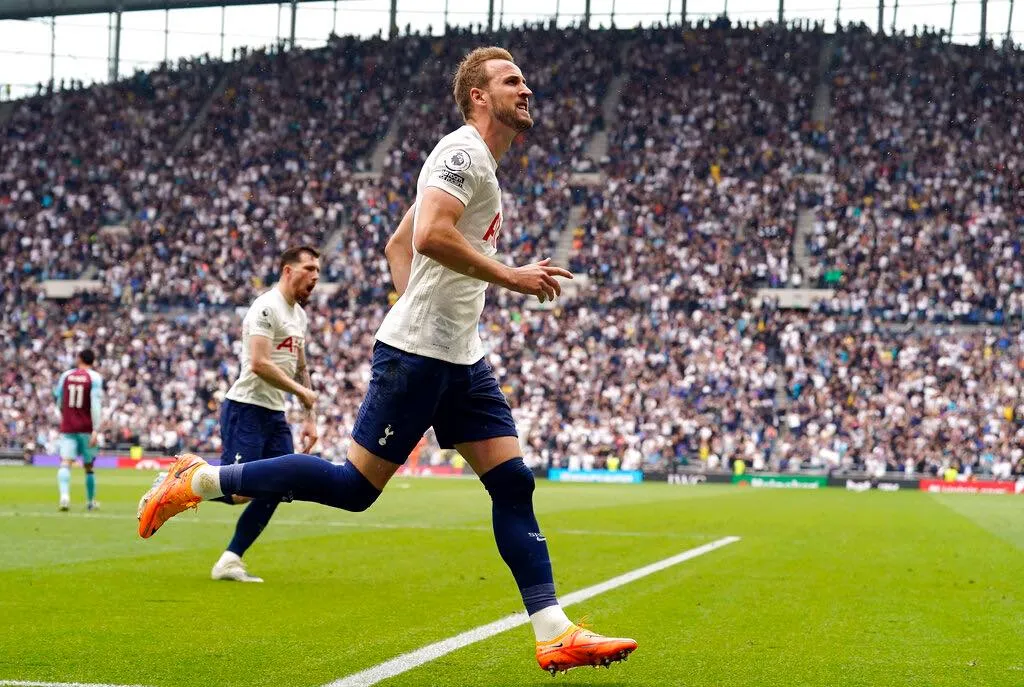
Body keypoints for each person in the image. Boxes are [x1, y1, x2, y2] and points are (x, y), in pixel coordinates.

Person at [136, 47, 636, 674]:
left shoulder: (483, 165)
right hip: (420, 355)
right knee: (353, 489)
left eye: (524, 79)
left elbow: (398, 243)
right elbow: (426, 235)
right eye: (512, 81)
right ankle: (197, 480)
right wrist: (500, 280)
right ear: (479, 95)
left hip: (462, 356)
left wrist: (415, 298)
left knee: (512, 483)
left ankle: (552, 630)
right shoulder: (461, 153)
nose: (526, 88)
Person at [210, 245, 321, 583]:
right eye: (309, 269)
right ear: (288, 271)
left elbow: (301, 367)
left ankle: (230, 560)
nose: (315, 277)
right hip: (246, 408)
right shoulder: (265, 307)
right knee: (239, 491)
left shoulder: (298, 315)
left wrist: (309, 415)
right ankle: (181, 484)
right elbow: (258, 363)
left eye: (318, 270)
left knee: (280, 485)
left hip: (274, 412)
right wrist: (301, 392)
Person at [54, 349, 103, 511]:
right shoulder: (94, 378)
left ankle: (64, 497)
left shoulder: (66, 376)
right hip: (87, 428)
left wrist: (65, 416)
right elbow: (95, 405)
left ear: (79, 358)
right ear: (93, 361)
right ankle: (90, 502)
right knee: (88, 466)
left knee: (65, 462)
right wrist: (96, 430)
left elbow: (59, 399)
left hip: (68, 426)